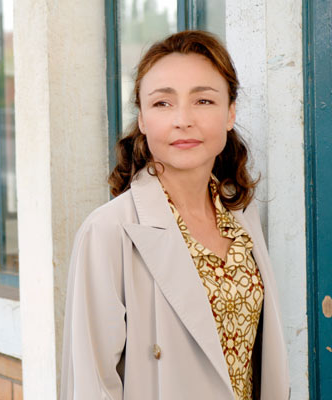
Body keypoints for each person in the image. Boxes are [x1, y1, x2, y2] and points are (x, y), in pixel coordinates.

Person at [60, 31, 289, 400]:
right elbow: (90, 386)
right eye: (163, 103)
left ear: (230, 112)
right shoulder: (108, 232)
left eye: (203, 100)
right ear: (143, 120)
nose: (183, 119)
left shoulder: (243, 217)